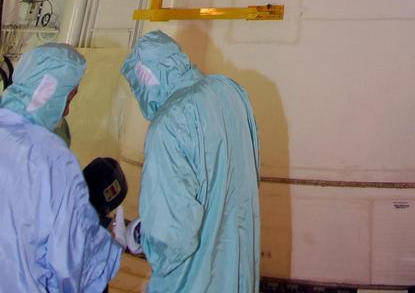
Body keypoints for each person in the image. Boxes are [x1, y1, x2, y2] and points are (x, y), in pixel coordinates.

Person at [122, 30, 260, 293]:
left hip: (194, 281)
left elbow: (170, 239)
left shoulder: (169, 123)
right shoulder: (229, 92)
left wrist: (142, 237)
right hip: (238, 273)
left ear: (146, 77)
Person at [0, 42, 123, 292]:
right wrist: (108, 248)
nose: (67, 109)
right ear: (48, 91)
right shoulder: (52, 158)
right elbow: (71, 262)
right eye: (69, 97)